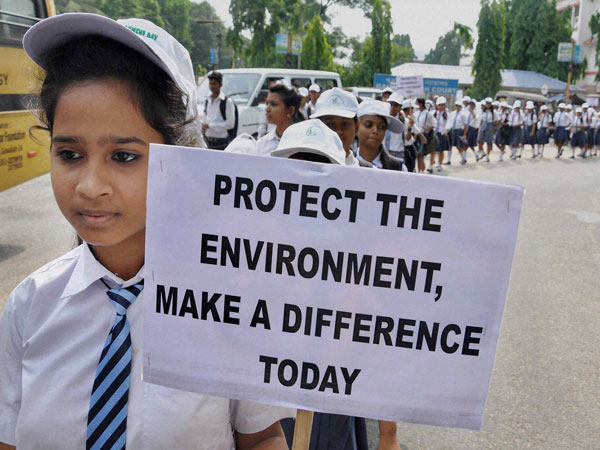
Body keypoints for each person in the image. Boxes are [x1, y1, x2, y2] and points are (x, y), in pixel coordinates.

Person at [0, 13, 293, 450]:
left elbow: (262, 436)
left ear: (179, 158)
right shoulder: (29, 306)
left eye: (123, 156)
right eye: (69, 153)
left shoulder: (233, 305)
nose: (89, 186)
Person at [311, 87, 373, 167]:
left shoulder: (368, 172)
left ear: (357, 128)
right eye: (330, 125)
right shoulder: (305, 168)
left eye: (345, 124)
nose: (338, 131)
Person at [355, 100, 406, 171]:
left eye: (381, 127)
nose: (375, 131)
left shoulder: (398, 168)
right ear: (357, 128)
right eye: (368, 125)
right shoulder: (343, 162)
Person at [255, 82, 303, 156]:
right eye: (267, 103)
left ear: (290, 110)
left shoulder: (303, 142)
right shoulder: (262, 144)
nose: (267, 109)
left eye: (274, 104)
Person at [202, 71, 236, 150]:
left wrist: (210, 126)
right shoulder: (207, 100)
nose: (211, 86)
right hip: (208, 142)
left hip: (221, 143)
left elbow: (230, 124)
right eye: (210, 84)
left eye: (214, 84)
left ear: (220, 85)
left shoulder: (227, 102)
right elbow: (205, 118)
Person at [413, 98, 435, 173]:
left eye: (417, 103)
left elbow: (434, 124)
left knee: (421, 155)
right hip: (416, 135)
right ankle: (420, 171)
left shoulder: (427, 114)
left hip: (423, 136)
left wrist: (427, 128)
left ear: (420, 104)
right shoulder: (416, 113)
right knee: (417, 155)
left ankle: (421, 171)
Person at [444, 100, 468, 164]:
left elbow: (465, 125)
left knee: (459, 145)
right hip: (452, 130)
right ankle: (448, 160)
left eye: (459, 106)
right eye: (456, 106)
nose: (457, 107)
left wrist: (464, 134)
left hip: (459, 130)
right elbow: (449, 122)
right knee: (450, 145)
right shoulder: (452, 113)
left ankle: (463, 158)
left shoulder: (463, 114)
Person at [429, 96, 448, 172]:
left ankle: (440, 165)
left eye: (442, 105)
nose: (441, 106)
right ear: (436, 105)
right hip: (434, 134)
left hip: (442, 133)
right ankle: (430, 166)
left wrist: (446, 130)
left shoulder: (446, 115)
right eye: (439, 105)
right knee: (432, 150)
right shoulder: (433, 113)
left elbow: (448, 123)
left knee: (441, 150)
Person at [385, 92, 406, 164]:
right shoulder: (383, 118)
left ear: (400, 108)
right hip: (384, 151)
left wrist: (409, 128)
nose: (392, 107)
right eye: (391, 104)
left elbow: (409, 140)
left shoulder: (404, 121)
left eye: (396, 105)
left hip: (398, 152)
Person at [477, 97, 495, 162]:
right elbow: (482, 119)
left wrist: (495, 127)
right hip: (483, 125)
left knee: (488, 142)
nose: (488, 105)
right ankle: (483, 152)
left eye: (489, 103)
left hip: (490, 125)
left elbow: (497, 120)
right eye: (487, 103)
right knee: (479, 140)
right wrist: (480, 127)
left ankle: (488, 156)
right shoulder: (483, 111)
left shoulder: (493, 112)